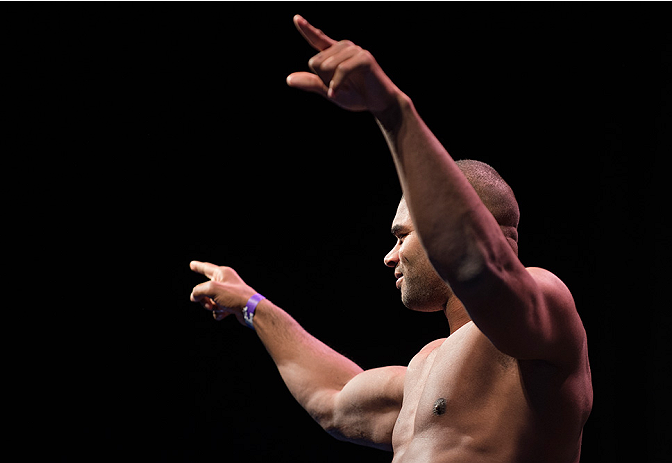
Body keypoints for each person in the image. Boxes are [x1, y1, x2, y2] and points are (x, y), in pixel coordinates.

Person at [189, 15, 592, 463]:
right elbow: (334, 396)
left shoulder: (544, 311)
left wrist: (393, 113)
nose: (389, 256)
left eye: (403, 236)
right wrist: (250, 305)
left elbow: (478, 266)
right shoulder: (424, 371)